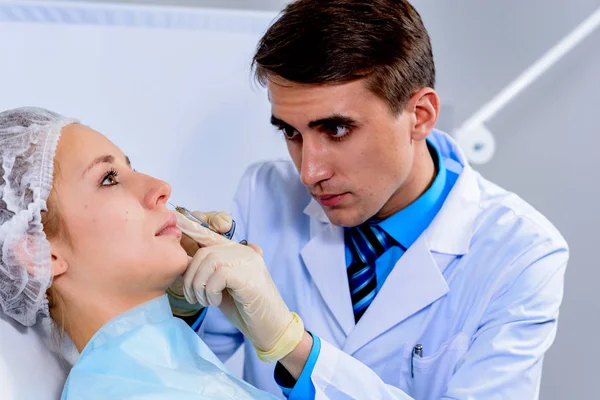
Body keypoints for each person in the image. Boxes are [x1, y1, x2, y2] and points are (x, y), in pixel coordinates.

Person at [171, 0, 569, 399]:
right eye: (291, 133)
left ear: (421, 115)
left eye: (337, 129)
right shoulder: (266, 193)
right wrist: (181, 302)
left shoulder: (523, 254)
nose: (310, 173)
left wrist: (292, 346)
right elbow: (184, 375)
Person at [0, 107, 278, 400]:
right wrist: (291, 346)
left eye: (130, 168)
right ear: (39, 252)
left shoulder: (165, 376)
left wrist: (296, 350)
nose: (161, 188)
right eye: (109, 178)